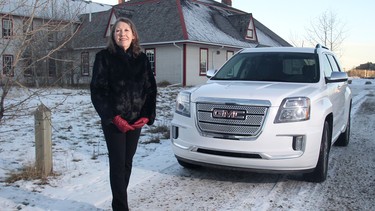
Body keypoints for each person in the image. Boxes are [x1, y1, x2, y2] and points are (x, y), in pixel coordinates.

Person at [90, 17, 157, 211]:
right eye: (118, 31)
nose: (122, 34)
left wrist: (146, 115)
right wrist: (113, 117)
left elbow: (150, 89)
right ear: (113, 35)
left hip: (136, 121)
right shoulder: (104, 57)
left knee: (127, 163)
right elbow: (98, 90)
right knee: (118, 164)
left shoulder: (142, 59)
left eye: (126, 30)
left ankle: (119, 202)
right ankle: (121, 207)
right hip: (114, 122)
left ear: (133, 34)